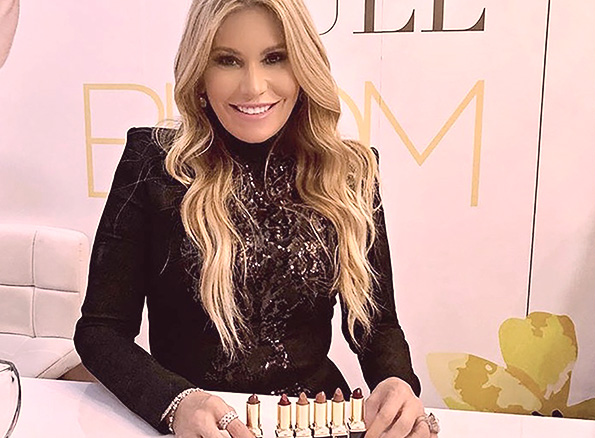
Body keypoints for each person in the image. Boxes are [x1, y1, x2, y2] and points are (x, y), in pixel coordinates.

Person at [74, 1, 439, 437]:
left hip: (314, 423)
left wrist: (396, 382)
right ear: (200, 74)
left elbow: (377, 325)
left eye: (275, 57)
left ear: (303, 66)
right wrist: (174, 403)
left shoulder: (349, 172)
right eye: (227, 60)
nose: (253, 86)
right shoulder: (156, 165)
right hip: (194, 427)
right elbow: (101, 331)